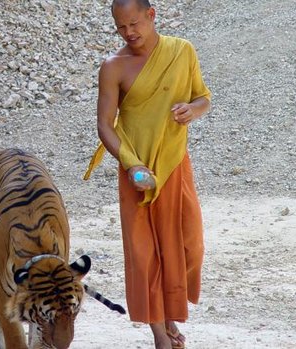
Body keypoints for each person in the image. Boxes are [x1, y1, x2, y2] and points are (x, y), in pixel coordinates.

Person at [83, 0, 211, 348]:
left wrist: (192, 110)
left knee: (189, 246)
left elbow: (204, 98)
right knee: (143, 255)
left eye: (135, 23)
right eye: (121, 27)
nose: (129, 33)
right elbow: (104, 126)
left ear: (152, 16)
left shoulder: (181, 52)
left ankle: (170, 313)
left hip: (173, 165)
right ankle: (160, 334)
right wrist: (131, 164)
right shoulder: (113, 67)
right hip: (135, 172)